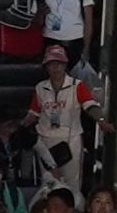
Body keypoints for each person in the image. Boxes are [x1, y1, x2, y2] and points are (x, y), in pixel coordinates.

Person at [28, 52, 88, 203]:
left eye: (59, 63)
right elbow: (34, 112)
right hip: (46, 140)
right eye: (51, 64)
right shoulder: (40, 87)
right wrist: (21, 125)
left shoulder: (77, 85)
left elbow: (89, 104)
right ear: (46, 67)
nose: (55, 68)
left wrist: (101, 120)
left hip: (71, 139)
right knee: (49, 181)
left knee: (72, 182)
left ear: (65, 65)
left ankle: (73, 210)